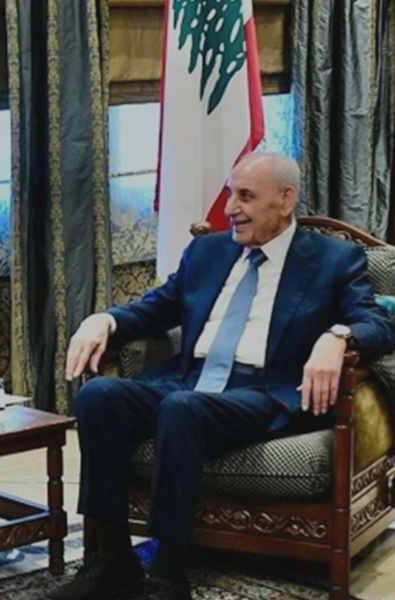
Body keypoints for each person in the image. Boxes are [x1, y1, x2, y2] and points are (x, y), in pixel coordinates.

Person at [48, 153, 395, 600]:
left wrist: (338, 335)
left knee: (182, 408)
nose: (231, 208)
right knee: (99, 395)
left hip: (262, 393)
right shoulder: (207, 251)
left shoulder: (334, 259)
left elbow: (378, 324)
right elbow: (157, 307)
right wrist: (105, 320)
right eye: (231, 193)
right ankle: (114, 560)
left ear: (285, 200)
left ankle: (169, 574)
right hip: (189, 382)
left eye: (246, 196)